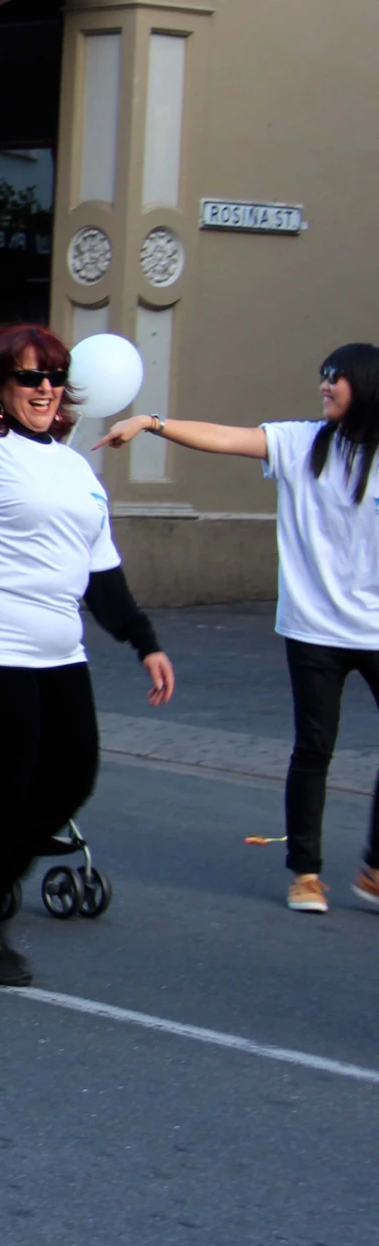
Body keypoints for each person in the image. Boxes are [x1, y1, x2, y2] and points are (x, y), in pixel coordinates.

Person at [0, 325, 174, 986]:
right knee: (3, 789)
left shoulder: (74, 466)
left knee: (71, 778)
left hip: (60, 651)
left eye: (55, 377)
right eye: (31, 377)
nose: (46, 389)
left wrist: (144, 641)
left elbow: (102, 570)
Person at [98, 343, 379, 913]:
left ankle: (373, 867)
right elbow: (225, 437)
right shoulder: (300, 443)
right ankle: (305, 873)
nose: (325, 386)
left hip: (375, 629)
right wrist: (151, 423)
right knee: (315, 748)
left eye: (337, 378)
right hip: (314, 628)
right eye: (323, 376)